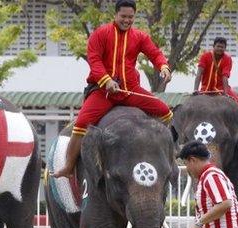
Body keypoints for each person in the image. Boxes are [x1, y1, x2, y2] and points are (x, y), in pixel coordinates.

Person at [53, 0, 173, 178]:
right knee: (80, 124)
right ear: (115, 15)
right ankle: (69, 166)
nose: (126, 20)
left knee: (165, 112)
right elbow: (94, 61)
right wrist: (106, 80)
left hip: (130, 90)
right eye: (123, 16)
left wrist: (163, 66)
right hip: (104, 92)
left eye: (130, 17)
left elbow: (155, 53)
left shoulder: (140, 37)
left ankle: (164, 154)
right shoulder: (100, 34)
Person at [193, 37, 238, 107]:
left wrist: (226, 93)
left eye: (222, 47)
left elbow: (225, 77)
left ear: (225, 48)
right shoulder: (205, 56)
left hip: (221, 89)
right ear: (213, 46)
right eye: (218, 46)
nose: (220, 49)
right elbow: (199, 74)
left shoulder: (227, 59)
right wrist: (195, 89)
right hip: (205, 89)